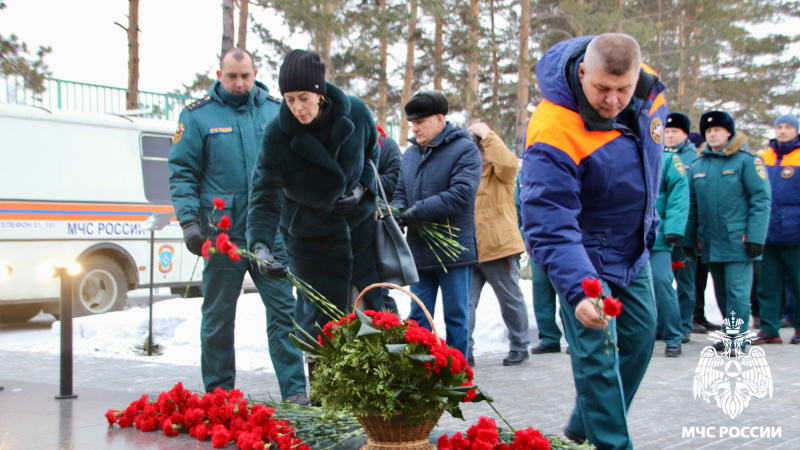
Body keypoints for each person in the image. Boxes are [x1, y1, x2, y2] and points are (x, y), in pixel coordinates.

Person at [520, 33, 666, 448]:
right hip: (582, 255)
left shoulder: (650, 92)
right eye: (602, 88)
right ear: (583, 71)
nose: (613, 101)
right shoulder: (553, 128)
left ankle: (579, 431)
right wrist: (580, 290)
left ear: (637, 75)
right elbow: (549, 218)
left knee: (639, 339)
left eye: (623, 89)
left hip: (632, 246)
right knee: (599, 358)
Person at [167, 48, 308, 405]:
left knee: (284, 312)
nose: (240, 82)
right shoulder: (198, 117)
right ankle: (219, 396)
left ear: (255, 72)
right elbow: (182, 173)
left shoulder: (276, 111)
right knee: (217, 315)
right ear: (219, 74)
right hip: (221, 235)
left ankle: (294, 392)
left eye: (245, 75)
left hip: (271, 232)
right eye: (232, 76)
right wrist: (189, 222)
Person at [247, 50, 384, 369]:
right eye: (289, 99)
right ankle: (328, 409)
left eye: (303, 98)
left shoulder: (358, 113)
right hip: (310, 241)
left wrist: (361, 189)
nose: (296, 107)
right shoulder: (277, 134)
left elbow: (372, 156)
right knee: (322, 329)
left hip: (359, 234)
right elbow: (264, 194)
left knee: (374, 321)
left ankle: (375, 412)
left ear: (320, 92)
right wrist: (261, 247)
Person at [392, 90, 481, 358]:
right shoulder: (410, 155)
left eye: (420, 122)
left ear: (440, 119)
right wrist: (396, 211)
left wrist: (415, 212)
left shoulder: (465, 149)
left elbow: (460, 196)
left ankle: (457, 377)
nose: (414, 128)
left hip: (453, 251)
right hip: (420, 250)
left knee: (456, 317)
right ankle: (422, 377)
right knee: (418, 317)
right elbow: (400, 191)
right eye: (411, 123)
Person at [683, 110, 771, 350]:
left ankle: (737, 339)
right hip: (710, 242)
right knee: (722, 293)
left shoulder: (746, 161)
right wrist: (689, 239)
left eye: (717, 130)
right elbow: (692, 206)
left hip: (740, 241)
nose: (712, 135)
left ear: (729, 133)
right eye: (708, 131)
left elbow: (761, 200)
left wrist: (755, 237)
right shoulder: (698, 165)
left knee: (737, 293)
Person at [466, 122, 530, 366]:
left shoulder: (500, 172)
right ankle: (464, 350)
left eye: (479, 150)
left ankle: (519, 345)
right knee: (465, 304)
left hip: (499, 248)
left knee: (510, 299)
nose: (476, 156)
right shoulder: (466, 173)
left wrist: (487, 134)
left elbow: (509, 162)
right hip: (470, 251)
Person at [753, 114, 800, 345]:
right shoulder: (763, 157)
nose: (782, 131)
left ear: (796, 130)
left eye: (788, 127)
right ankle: (769, 329)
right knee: (767, 284)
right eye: (779, 127)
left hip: (795, 233)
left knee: (798, 283)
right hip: (767, 232)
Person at [664, 113, 705, 337]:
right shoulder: (656, 155)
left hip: (686, 231)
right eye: (667, 132)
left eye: (675, 132)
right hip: (661, 231)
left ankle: (684, 325)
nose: (670, 136)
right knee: (662, 281)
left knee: (685, 281)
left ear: (685, 135)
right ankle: (664, 324)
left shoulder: (694, 160)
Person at [515, 172, 564, 355]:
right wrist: (522, 237)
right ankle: (549, 338)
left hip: (562, 241)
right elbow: (518, 209)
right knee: (541, 289)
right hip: (536, 242)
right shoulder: (523, 175)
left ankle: (574, 336)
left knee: (565, 290)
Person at [651, 130, 690, 357]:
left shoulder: (668, 159)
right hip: (627, 238)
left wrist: (674, 228)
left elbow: (678, 194)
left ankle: (673, 337)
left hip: (657, 236)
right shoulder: (628, 156)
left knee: (662, 282)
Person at [376, 124, 402, 313]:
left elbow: (395, 180)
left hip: (376, 226)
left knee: (378, 290)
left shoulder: (386, 145)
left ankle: (389, 330)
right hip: (342, 230)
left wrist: (363, 183)